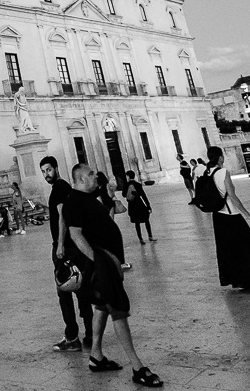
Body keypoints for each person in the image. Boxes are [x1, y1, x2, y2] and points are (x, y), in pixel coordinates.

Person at [65, 163, 163, 387]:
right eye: (90, 174)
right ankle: (137, 367)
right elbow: (75, 235)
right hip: (102, 265)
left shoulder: (88, 198)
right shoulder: (74, 201)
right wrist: (98, 261)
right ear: (80, 180)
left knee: (102, 306)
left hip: (108, 262)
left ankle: (96, 356)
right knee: (118, 309)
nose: (95, 176)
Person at [40, 155, 92, 352]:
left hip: (65, 248)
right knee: (81, 289)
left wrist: (60, 244)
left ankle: (72, 337)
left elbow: (63, 216)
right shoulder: (64, 188)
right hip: (74, 246)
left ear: (56, 168)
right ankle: (90, 333)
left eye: (48, 170)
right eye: (43, 171)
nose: (46, 174)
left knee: (64, 291)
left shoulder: (60, 189)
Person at [206, 146, 250, 290]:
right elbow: (233, 197)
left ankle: (236, 279)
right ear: (220, 157)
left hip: (218, 217)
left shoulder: (207, 172)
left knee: (229, 250)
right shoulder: (223, 172)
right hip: (231, 215)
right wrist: (248, 215)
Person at [122, 171, 155, 244]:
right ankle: (150, 236)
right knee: (146, 220)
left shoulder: (126, 185)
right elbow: (143, 195)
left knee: (137, 223)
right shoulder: (138, 185)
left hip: (132, 205)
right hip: (140, 204)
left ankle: (140, 239)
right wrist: (148, 206)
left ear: (128, 176)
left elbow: (124, 195)